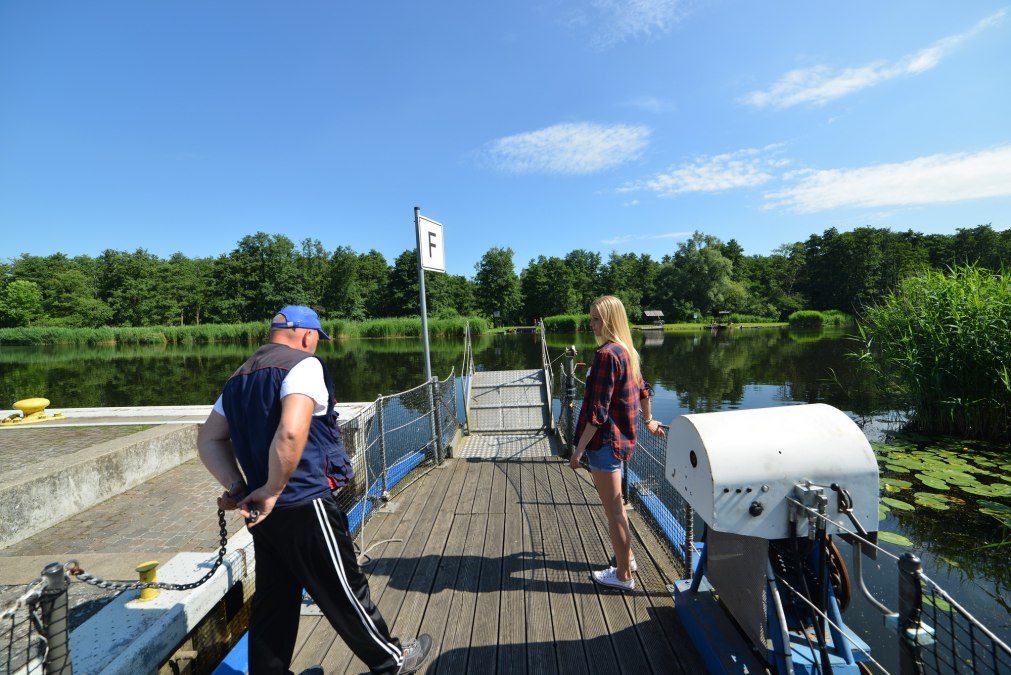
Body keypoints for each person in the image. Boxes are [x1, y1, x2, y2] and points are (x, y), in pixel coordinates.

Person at [197, 305, 432, 675]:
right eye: (316, 340)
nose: (316, 346)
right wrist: (274, 489)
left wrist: (240, 487)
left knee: (275, 600)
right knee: (344, 588)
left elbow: (209, 438)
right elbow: (291, 431)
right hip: (302, 501)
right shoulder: (302, 366)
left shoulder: (238, 378)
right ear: (307, 334)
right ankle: (393, 660)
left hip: (261, 511)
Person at [568, 295, 665, 591]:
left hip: (604, 444)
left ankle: (623, 576)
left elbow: (597, 412)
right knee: (617, 508)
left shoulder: (607, 355)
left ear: (610, 320)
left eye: (596, 319)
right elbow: (644, 390)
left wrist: (579, 450)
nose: (591, 324)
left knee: (614, 512)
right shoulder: (626, 351)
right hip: (621, 442)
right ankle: (629, 559)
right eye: (591, 318)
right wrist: (648, 421)